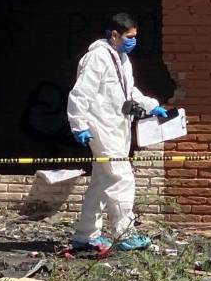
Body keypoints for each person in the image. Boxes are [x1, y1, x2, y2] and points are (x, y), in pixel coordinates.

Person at [67, 13, 168, 251]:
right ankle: (125, 234)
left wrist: (151, 105)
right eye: (129, 37)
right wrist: (79, 124)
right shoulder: (97, 58)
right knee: (122, 177)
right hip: (101, 127)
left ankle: (85, 236)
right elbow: (81, 93)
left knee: (102, 181)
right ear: (114, 35)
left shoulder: (121, 60)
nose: (133, 42)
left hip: (117, 126)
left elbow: (128, 92)